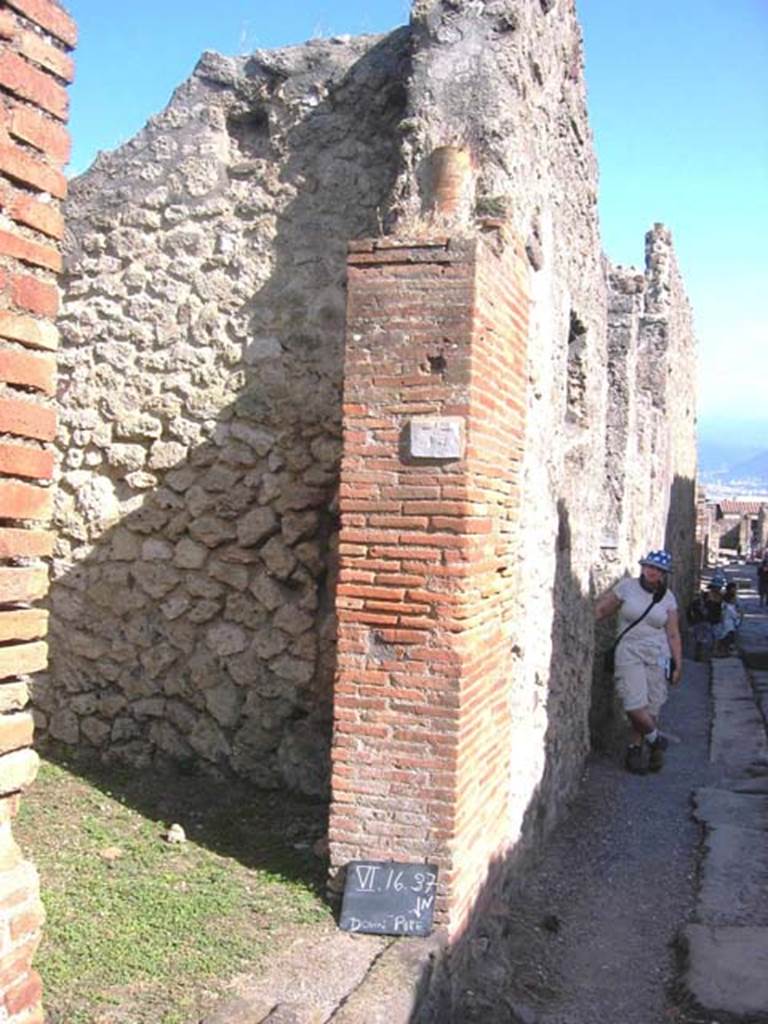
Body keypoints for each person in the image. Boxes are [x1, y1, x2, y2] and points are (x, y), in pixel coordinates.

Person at [595, 549, 683, 774]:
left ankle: (636, 748)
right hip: (629, 651)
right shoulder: (626, 587)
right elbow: (603, 608)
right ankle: (656, 740)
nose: (652, 571)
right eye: (649, 566)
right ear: (643, 567)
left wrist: (677, 663)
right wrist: (586, 617)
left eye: (658, 569)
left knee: (651, 705)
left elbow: (672, 633)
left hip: (659, 654)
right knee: (633, 704)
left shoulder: (668, 598)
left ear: (664, 573)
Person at [687, 580, 724, 661]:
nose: (717, 589)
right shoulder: (703, 598)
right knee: (700, 640)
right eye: (716, 587)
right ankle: (699, 656)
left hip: (714, 621)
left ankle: (709, 655)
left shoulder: (721, 598)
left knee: (713, 639)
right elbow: (692, 608)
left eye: (719, 588)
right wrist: (692, 621)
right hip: (702, 621)